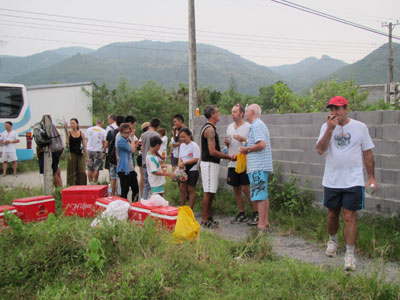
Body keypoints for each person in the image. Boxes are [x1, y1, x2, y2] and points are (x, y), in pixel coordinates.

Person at [316, 96, 377, 271]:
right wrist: (329, 129)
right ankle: (333, 241)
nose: (334, 112)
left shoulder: (360, 127)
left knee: (349, 216)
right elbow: (320, 150)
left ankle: (350, 254)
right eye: (331, 109)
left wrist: (371, 177)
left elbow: (367, 154)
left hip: (353, 180)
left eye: (337, 108)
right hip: (332, 180)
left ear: (346, 109)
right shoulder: (325, 127)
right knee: (332, 214)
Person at [239, 104, 273, 233]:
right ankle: (265, 223)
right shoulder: (258, 125)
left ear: (252, 112)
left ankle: (261, 225)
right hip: (259, 165)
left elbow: (261, 144)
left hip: (258, 166)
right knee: (263, 195)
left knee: (259, 196)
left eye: (247, 111)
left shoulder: (257, 125)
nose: (246, 114)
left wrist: (247, 149)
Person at [200, 105, 235, 228]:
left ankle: (208, 216)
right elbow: (212, 151)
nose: (219, 113)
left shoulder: (211, 128)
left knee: (212, 191)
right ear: (212, 115)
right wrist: (229, 157)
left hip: (212, 163)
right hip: (209, 163)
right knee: (208, 192)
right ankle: (204, 220)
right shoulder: (209, 130)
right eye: (217, 112)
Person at [224, 104, 258, 225]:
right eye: (232, 112)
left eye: (234, 112)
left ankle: (256, 213)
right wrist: (226, 143)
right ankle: (241, 213)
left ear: (241, 113)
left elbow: (253, 143)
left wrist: (242, 140)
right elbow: (227, 145)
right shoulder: (229, 127)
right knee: (236, 188)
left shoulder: (249, 127)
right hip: (232, 162)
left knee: (246, 188)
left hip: (244, 162)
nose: (232, 114)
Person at [37, 116, 64, 187]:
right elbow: (62, 146)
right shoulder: (56, 130)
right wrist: (59, 155)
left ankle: (50, 189)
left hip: (47, 153)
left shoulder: (42, 130)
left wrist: (38, 155)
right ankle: (59, 189)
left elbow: (38, 146)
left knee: (49, 173)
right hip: (56, 152)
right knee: (55, 173)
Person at [178, 128, 200, 208]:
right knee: (182, 188)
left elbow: (196, 158)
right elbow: (180, 157)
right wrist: (180, 163)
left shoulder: (194, 145)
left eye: (184, 137)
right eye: (181, 137)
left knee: (191, 189)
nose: (182, 139)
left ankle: (190, 208)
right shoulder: (182, 146)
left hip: (192, 169)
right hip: (183, 170)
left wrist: (184, 163)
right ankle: (182, 206)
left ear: (189, 135)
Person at [116, 123, 139, 202]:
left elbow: (133, 150)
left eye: (128, 132)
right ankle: (123, 207)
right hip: (123, 169)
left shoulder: (127, 140)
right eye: (125, 133)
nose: (127, 134)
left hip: (131, 168)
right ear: (121, 132)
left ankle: (134, 205)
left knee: (135, 189)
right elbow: (132, 150)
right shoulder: (121, 141)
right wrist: (132, 137)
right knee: (124, 191)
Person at [64, 118, 89, 185]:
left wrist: (88, 157)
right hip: (72, 154)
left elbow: (84, 146)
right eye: (71, 123)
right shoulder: (69, 133)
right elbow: (67, 145)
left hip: (80, 154)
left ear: (77, 124)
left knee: (82, 171)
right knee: (71, 171)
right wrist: (67, 141)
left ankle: (82, 186)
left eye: (73, 123)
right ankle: (71, 186)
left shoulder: (81, 133)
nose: (72, 125)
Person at [141, 118, 161, 199]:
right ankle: (151, 200)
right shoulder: (156, 135)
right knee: (154, 183)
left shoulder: (143, 135)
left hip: (144, 160)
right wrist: (160, 156)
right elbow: (155, 149)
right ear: (158, 126)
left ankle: (143, 200)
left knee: (146, 183)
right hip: (152, 160)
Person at [105, 115, 124, 195]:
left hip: (111, 157)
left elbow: (106, 144)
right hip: (120, 157)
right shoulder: (123, 133)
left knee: (113, 177)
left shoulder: (111, 132)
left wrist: (104, 152)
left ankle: (112, 194)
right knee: (119, 177)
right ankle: (118, 194)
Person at [86, 119, 107, 184]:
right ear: (102, 123)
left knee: (89, 168)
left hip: (89, 150)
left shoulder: (89, 129)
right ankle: (95, 182)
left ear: (96, 123)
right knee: (96, 168)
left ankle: (90, 182)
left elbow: (87, 139)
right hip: (98, 150)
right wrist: (104, 151)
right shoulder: (103, 131)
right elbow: (104, 143)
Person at [137, 122, 150, 198]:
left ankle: (145, 194)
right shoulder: (143, 136)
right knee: (143, 177)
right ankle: (142, 194)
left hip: (143, 157)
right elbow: (141, 148)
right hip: (142, 157)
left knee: (145, 177)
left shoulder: (143, 136)